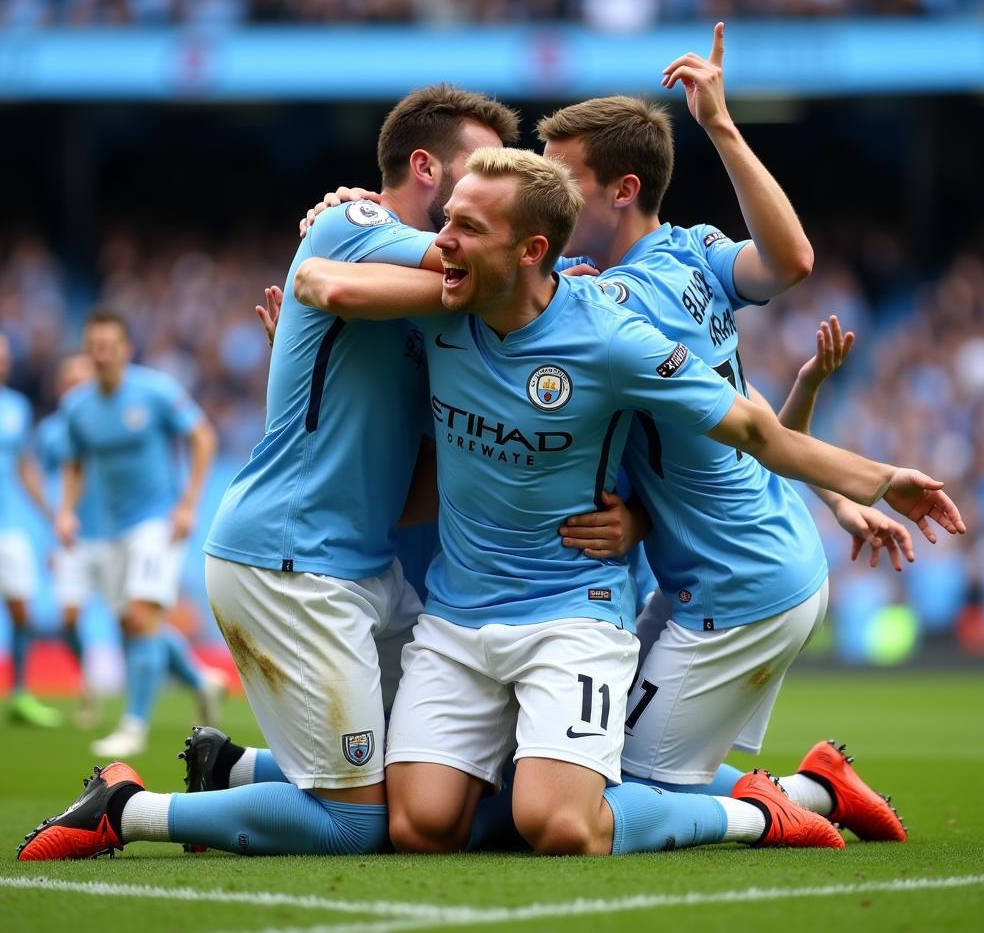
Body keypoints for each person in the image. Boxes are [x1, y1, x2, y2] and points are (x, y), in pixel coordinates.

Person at [287, 147, 960, 856]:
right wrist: (348, 212)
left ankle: (761, 815)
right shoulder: (443, 304)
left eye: (466, 227)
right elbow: (317, 280)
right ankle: (803, 791)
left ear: (531, 249)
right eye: (445, 219)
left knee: (560, 826)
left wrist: (877, 478)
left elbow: (751, 425)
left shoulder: (610, 334)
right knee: (421, 829)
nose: (440, 241)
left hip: (573, 615)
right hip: (457, 616)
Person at [17, 84, 521, 862]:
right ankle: (130, 808)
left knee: (436, 776)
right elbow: (484, 268)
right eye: (480, 167)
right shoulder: (354, 222)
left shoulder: (422, 303)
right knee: (359, 824)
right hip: (291, 563)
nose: (495, 184)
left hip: (361, 566)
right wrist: (549, 259)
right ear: (425, 167)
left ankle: (232, 766)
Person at [538, 24, 930, 840]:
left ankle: (794, 812)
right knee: (591, 757)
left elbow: (791, 261)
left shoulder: (620, 298)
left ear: (622, 190)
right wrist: (830, 492)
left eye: (561, 179)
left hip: (737, 584)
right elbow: (736, 392)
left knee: (610, 805)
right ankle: (816, 781)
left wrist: (720, 123)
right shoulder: (687, 256)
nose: (547, 193)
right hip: (734, 559)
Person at [54, 310, 219, 757]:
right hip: (107, 529)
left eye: (109, 345)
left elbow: (203, 437)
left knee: (142, 619)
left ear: (126, 348)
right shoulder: (78, 407)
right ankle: (201, 680)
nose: (102, 354)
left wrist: (188, 504)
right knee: (132, 624)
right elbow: (73, 461)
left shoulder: (156, 391)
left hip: (156, 522)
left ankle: (133, 727)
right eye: (94, 346)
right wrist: (66, 511)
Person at [0, 326, 61, 732]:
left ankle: (19, 694)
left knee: (22, 611)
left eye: (0, 356)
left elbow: (24, 466)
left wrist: (50, 514)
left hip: (6, 526)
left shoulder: (16, 407)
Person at [35, 353, 105, 728]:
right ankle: (87, 687)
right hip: (74, 538)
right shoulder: (51, 433)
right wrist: (53, 530)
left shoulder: (107, 420)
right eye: (71, 381)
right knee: (68, 618)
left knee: (136, 621)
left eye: (85, 380)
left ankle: (195, 680)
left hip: (115, 535)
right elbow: (47, 483)